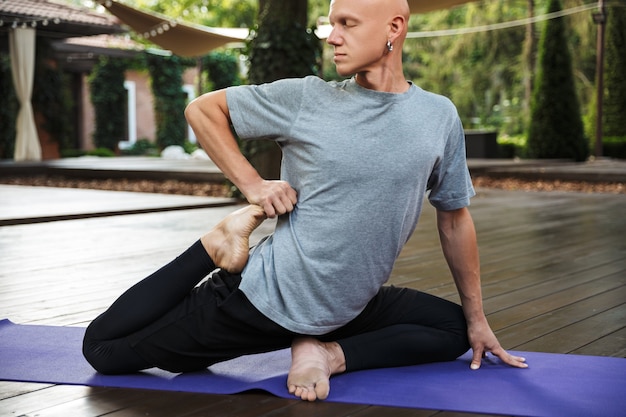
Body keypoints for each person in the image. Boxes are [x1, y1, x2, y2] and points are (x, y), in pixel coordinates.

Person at [82, 0, 527, 402]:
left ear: (394, 26)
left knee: (456, 328)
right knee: (103, 348)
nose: (333, 36)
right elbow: (202, 110)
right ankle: (213, 247)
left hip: (354, 305)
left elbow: (453, 218)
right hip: (267, 300)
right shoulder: (307, 98)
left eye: (347, 24)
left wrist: (478, 317)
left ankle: (328, 352)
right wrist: (255, 186)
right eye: (331, 24)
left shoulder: (438, 115)